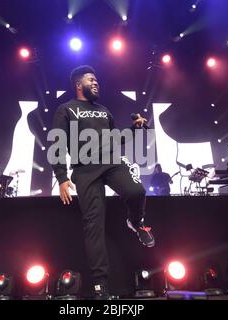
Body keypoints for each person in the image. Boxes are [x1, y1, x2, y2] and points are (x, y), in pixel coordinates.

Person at [51, 65, 155, 299]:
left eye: (97, 80)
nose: (96, 83)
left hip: (111, 162)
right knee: (94, 226)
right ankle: (101, 286)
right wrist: (61, 177)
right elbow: (56, 143)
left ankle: (135, 221)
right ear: (79, 85)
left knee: (137, 191)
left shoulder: (104, 111)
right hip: (85, 171)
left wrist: (134, 129)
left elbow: (113, 140)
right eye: (91, 80)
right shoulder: (66, 109)